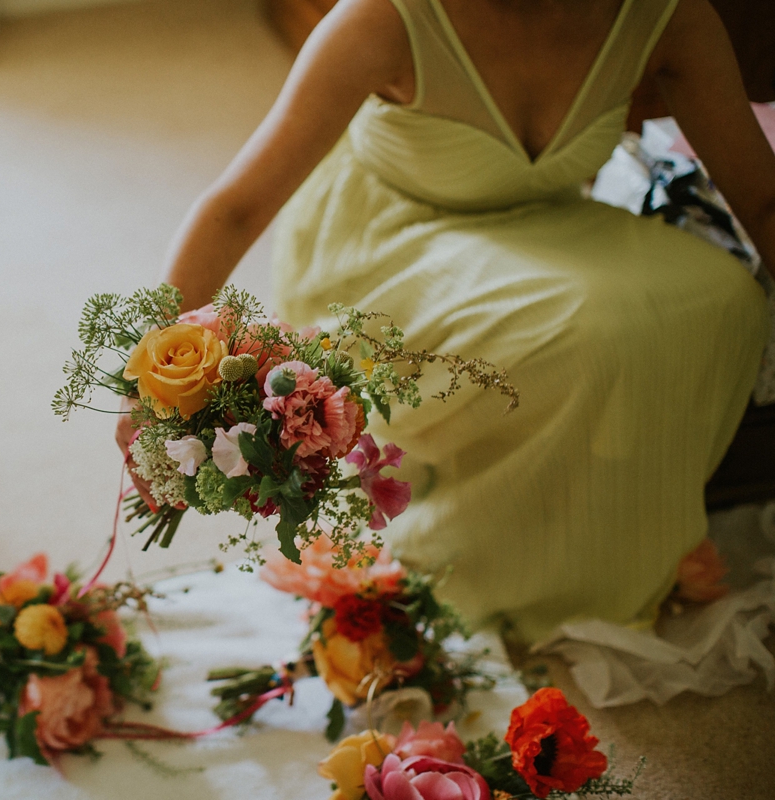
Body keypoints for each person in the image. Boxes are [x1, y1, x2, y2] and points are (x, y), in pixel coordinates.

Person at [116, 0, 775, 643]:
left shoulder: (670, 16)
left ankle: (611, 528)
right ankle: (490, 568)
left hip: (550, 227)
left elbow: (762, 200)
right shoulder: (384, 17)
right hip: (384, 246)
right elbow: (234, 206)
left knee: (721, 296)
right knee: (586, 330)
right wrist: (146, 387)